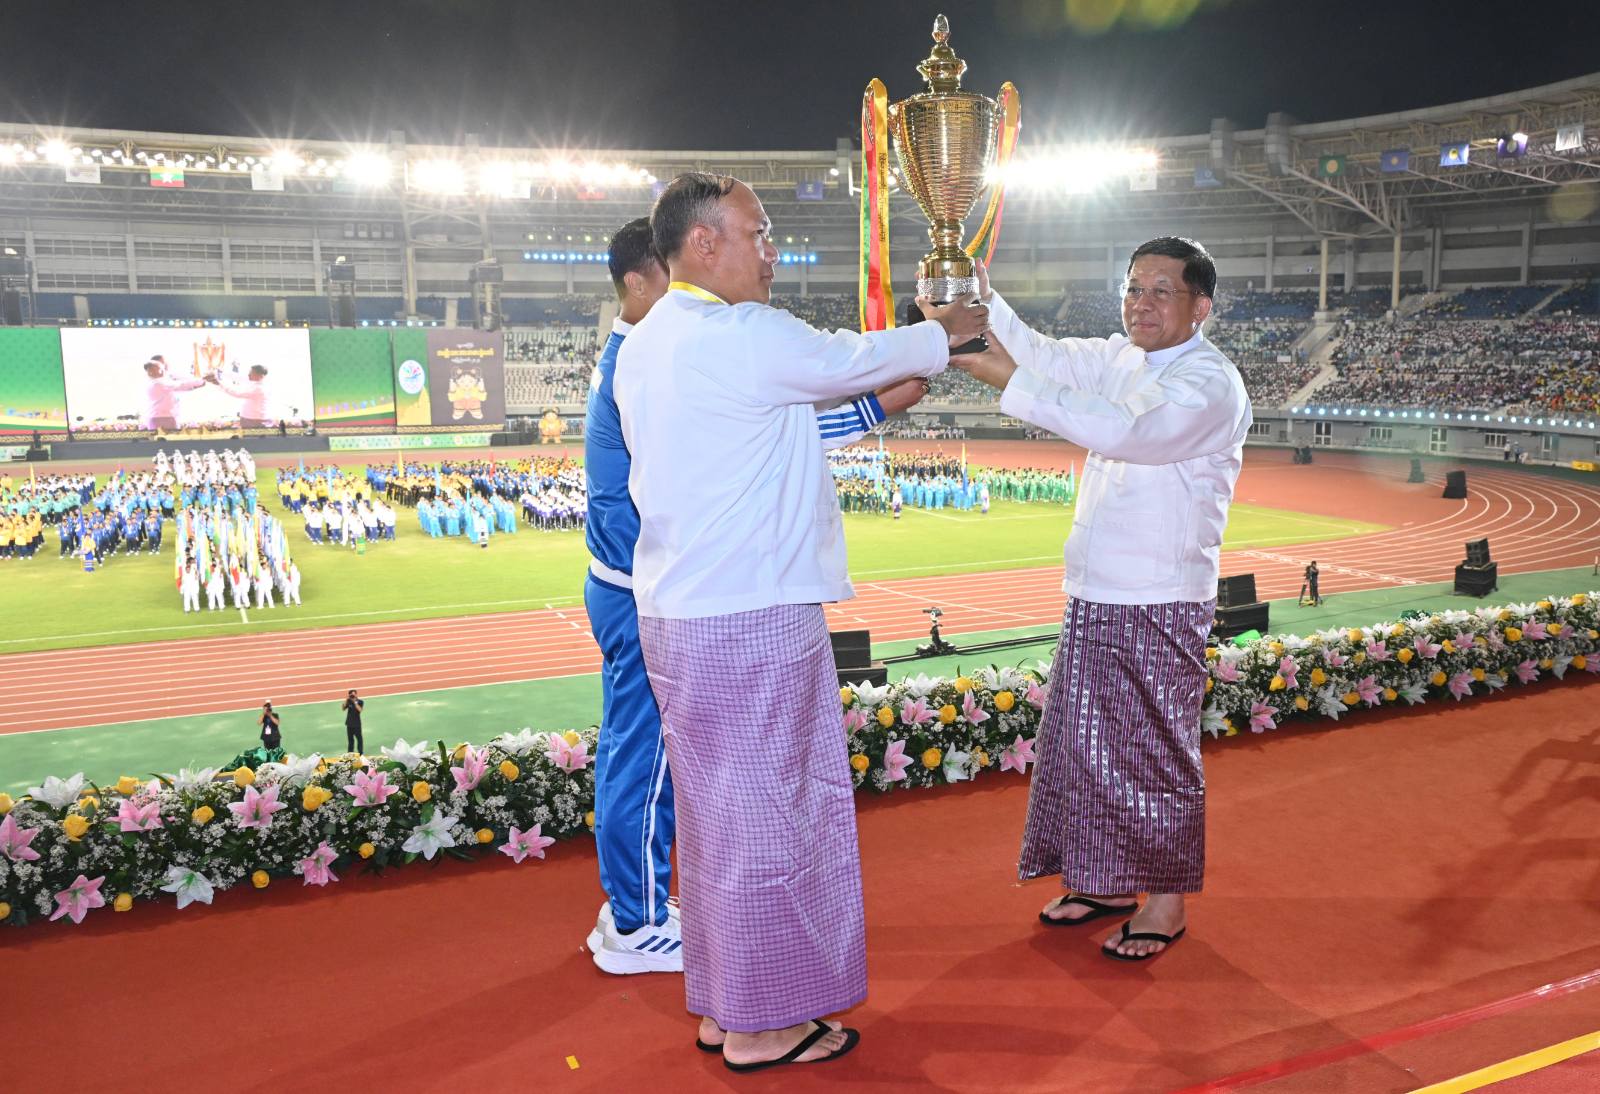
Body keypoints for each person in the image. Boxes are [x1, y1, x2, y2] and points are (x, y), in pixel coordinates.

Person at [615, 174, 985, 1069]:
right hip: (752, 612)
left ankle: (725, 1004)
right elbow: (846, 357)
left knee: (717, 821)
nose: (772, 251)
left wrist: (898, 378)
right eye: (758, 232)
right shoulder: (738, 332)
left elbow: (782, 431)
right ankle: (762, 1025)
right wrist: (949, 328)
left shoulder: (649, 339)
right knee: (771, 819)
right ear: (704, 243)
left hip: (685, 615)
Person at [582, 217, 928, 978]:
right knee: (651, 761)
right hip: (650, 590)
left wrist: (875, 407)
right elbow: (745, 435)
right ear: (640, 283)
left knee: (652, 755)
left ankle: (638, 906)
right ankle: (638, 920)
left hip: (634, 584)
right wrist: (886, 388)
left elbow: (760, 432)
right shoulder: (651, 354)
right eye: (674, 277)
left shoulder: (640, 354)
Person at [950, 238, 1251, 960]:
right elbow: (1042, 353)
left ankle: (1167, 902)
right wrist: (978, 294)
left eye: (1161, 291)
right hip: (1095, 588)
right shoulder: (1120, 357)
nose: (1141, 303)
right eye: (1133, 288)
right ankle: (1106, 882)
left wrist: (1005, 378)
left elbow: (1127, 431)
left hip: (1160, 597)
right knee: (1086, 746)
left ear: (1201, 307)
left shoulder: (1210, 383)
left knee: (1154, 752)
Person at [142, 358, 206, 432]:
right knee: (169, 439)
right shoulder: (158, 383)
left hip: (162, 417)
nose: (163, 370)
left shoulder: (158, 382)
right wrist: (201, 381)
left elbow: (183, 385)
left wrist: (198, 382)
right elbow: (182, 386)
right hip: (162, 418)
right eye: (159, 368)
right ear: (150, 371)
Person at [342, 689, 364, 754]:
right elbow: (343, 708)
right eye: (351, 695)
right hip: (349, 724)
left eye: (354, 694)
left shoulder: (360, 701)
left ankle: (360, 753)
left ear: (356, 694)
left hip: (357, 724)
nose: (353, 696)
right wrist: (346, 699)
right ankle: (350, 753)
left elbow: (360, 710)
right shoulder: (348, 701)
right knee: (350, 740)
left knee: (359, 739)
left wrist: (355, 702)